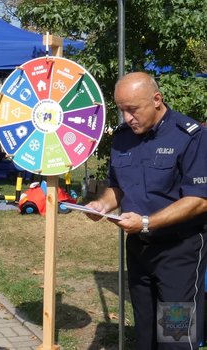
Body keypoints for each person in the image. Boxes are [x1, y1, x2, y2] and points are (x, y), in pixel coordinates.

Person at [86, 72, 207, 350]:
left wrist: (146, 221)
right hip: (139, 250)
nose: (127, 118)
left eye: (133, 109)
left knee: (175, 337)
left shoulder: (190, 136)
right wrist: (103, 205)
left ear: (156, 100)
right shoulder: (123, 138)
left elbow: (200, 199)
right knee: (145, 334)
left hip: (179, 253)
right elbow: (117, 186)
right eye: (122, 110)